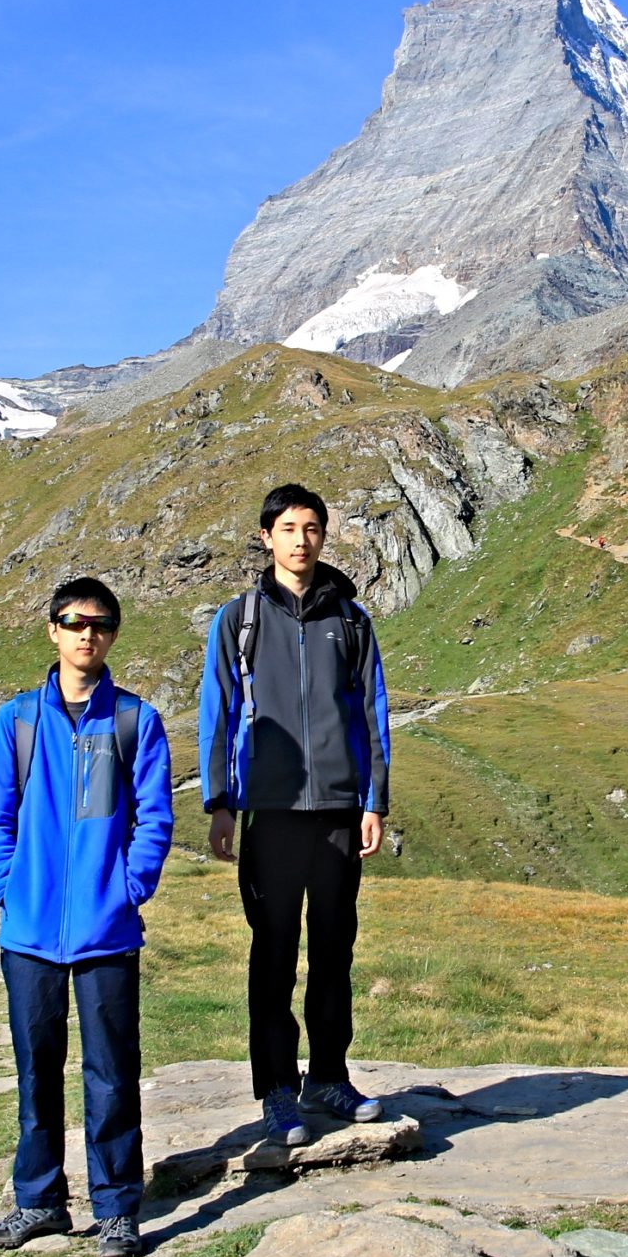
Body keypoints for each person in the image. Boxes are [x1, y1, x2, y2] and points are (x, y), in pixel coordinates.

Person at [0, 576, 174, 1257]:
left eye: (102, 623)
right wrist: (7, 885)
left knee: (112, 1071)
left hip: (107, 932)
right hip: (27, 934)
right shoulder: (16, 723)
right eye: (75, 621)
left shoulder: (134, 721)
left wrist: (128, 886)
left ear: (113, 634)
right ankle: (40, 1201)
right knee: (36, 1070)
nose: (89, 633)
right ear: (52, 630)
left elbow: (154, 819)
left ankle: (117, 1209)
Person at [197, 483, 393, 1147]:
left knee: (335, 948)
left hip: (338, 809)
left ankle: (329, 1076)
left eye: (312, 527)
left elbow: (373, 714)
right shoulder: (240, 619)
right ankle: (277, 1091)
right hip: (271, 811)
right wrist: (221, 802)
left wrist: (373, 799)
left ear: (322, 537)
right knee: (274, 952)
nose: (301, 539)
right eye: (288, 527)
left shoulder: (352, 620)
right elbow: (218, 711)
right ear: (266, 536)